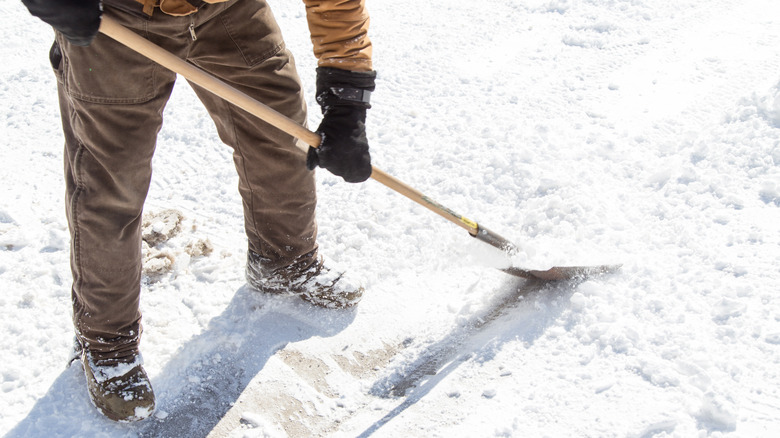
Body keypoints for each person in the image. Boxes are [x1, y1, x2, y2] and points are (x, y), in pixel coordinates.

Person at [21, 0, 376, 423]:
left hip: (227, 8)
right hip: (119, 15)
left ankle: (284, 259)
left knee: (280, 136)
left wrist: (346, 103)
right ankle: (106, 343)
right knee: (111, 183)